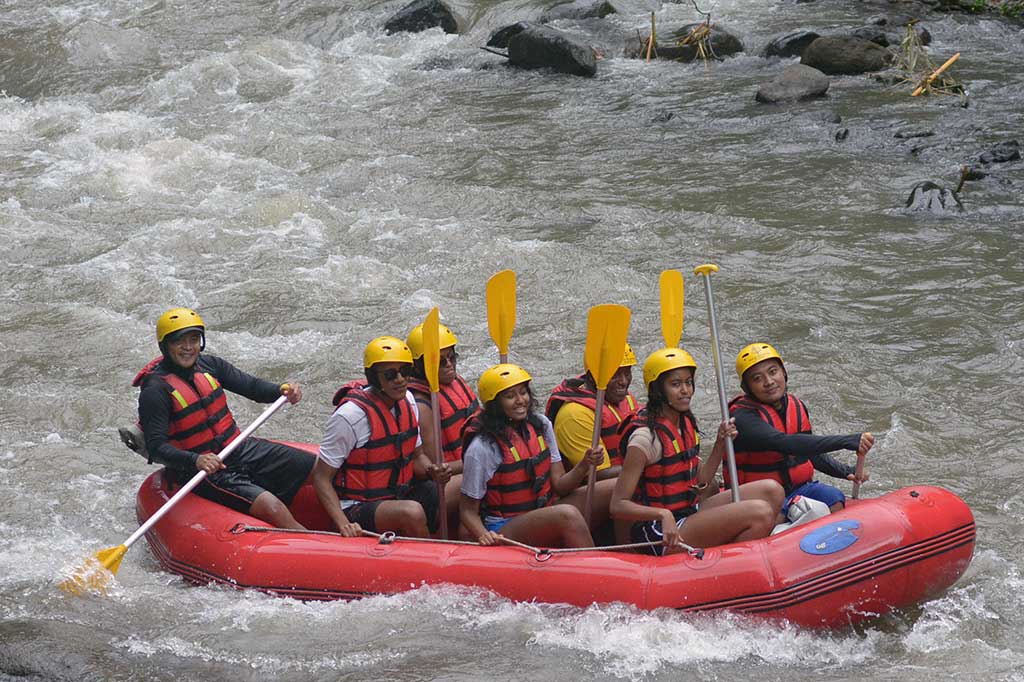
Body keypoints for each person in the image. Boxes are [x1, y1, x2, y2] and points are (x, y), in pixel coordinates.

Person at [133, 307, 312, 530]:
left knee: (314, 466)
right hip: (203, 471)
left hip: (238, 448)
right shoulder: (155, 390)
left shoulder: (210, 366)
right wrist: (195, 460)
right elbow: (157, 447)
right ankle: (318, 545)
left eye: (194, 339)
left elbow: (253, 387)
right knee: (271, 506)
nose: (188, 347)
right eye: (180, 341)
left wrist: (281, 390)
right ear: (165, 345)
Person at [610, 347, 782, 555]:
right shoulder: (645, 438)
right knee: (760, 513)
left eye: (688, 382)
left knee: (772, 490)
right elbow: (618, 505)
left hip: (687, 512)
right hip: (657, 531)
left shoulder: (684, 424)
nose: (685, 390)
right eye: (676, 384)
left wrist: (720, 443)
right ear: (657, 390)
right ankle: (729, 564)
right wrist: (663, 514)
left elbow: (700, 482)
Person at [314, 336, 452, 538]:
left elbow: (416, 456)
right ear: (374, 377)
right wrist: (344, 523)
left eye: (405, 372)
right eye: (390, 374)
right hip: (357, 506)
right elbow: (321, 478)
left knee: (454, 487)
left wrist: (432, 471)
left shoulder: (409, 401)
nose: (400, 380)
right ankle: (430, 558)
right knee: (411, 512)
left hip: (398, 493)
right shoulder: (350, 416)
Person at [460, 364, 601, 549]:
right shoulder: (483, 447)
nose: (520, 400)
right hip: (505, 527)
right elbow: (468, 511)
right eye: (510, 396)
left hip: (544, 510)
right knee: (568, 514)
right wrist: (485, 536)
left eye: (523, 392)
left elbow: (559, 485)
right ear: (495, 403)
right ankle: (593, 569)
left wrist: (584, 464)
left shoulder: (542, 425)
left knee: (613, 487)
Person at [729, 342, 873, 514]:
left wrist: (845, 471)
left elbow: (807, 451)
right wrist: (845, 441)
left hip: (797, 489)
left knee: (834, 498)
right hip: (760, 497)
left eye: (773, 372)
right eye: (757, 378)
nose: (768, 382)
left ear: (784, 372)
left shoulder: (795, 406)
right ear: (747, 388)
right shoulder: (742, 417)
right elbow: (785, 443)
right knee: (779, 516)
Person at [405, 322, 480, 534]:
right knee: (481, 475)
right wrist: (478, 461)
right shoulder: (422, 405)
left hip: (461, 470)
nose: (449, 365)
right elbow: (433, 469)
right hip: (432, 488)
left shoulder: (456, 384)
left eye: (452, 357)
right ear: (420, 366)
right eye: (441, 361)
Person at [544, 343, 640, 480]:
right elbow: (597, 475)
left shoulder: (626, 398)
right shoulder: (575, 414)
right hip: (587, 491)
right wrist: (645, 465)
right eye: (615, 374)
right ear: (593, 375)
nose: (624, 382)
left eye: (627, 372)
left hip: (625, 476)